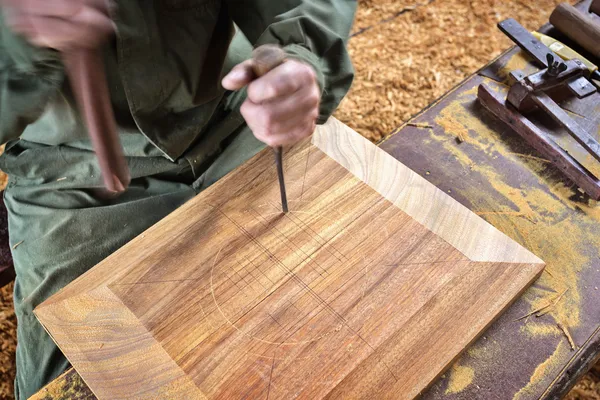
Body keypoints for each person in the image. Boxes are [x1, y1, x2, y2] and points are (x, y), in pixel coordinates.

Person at [0, 1, 356, 398]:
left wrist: (302, 55)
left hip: (235, 105)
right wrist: (14, 41)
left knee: (344, 299)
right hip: (71, 170)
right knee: (72, 375)